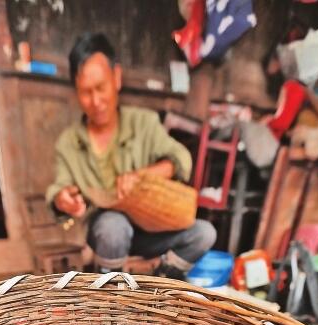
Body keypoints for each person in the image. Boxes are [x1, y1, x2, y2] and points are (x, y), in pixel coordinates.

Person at [46, 32, 216, 279]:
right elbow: (59, 188)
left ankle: (160, 281)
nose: (96, 101)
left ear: (116, 77)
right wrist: (62, 199)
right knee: (114, 225)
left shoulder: (144, 123)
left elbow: (181, 158)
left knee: (204, 233)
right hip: (105, 231)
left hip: (150, 228)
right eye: (85, 92)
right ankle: (111, 291)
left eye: (100, 88)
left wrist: (142, 175)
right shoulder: (68, 142)